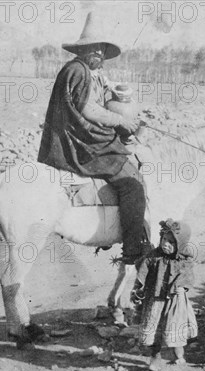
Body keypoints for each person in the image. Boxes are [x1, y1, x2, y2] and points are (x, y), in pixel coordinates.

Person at [37, 12, 149, 266]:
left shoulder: (87, 72)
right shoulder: (77, 70)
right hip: (80, 142)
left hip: (83, 135)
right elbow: (88, 110)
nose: (98, 53)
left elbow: (100, 98)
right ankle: (133, 247)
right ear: (83, 49)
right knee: (132, 183)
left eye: (101, 49)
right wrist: (120, 120)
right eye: (93, 48)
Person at [136, 219, 198, 371]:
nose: (165, 244)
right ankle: (155, 356)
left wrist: (182, 287)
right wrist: (139, 287)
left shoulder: (183, 260)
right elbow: (143, 269)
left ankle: (179, 355)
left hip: (175, 301)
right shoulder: (154, 256)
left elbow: (187, 275)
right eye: (164, 239)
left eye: (171, 242)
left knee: (174, 326)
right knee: (155, 327)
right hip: (155, 299)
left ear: (180, 244)